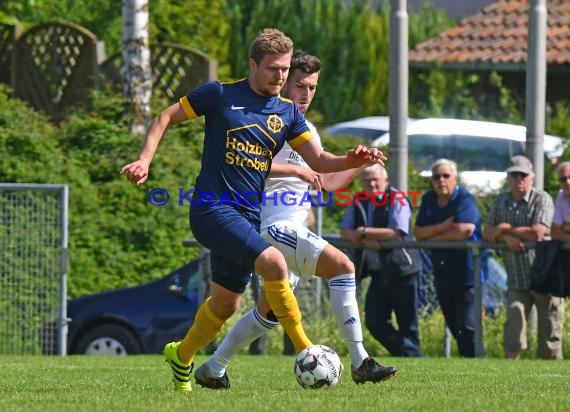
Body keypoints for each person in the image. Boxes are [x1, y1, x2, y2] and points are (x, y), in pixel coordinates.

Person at [120, 29, 386, 393]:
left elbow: (320, 162)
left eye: (284, 69)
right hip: (211, 209)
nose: (281, 76)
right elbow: (165, 116)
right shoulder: (219, 94)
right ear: (253, 64)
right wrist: (144, 160)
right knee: (275, 263)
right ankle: (307, 350)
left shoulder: (288, 114)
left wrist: (350, 160)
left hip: (247, 217)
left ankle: (182, 356)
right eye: (274, 69)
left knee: (225, 305)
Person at [192, 51, 396, 390]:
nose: (305, 94)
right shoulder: (266, 116)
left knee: (265, 316)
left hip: (291, 230)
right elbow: (245, 162)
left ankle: (213, 368)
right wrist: (299, 169)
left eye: (312, 87)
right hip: (272, 228)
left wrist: (359, 161)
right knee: (344, 267)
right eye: (299, 85)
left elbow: (326, 180)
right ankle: (361, 360)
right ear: (283, 80)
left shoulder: (302, 126)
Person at [484, 155, 563, 360]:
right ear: (508, 177)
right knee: (513, 325)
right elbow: (487, 233)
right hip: (517, 278)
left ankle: (552, 379)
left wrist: (504, 228)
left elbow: (537, 232)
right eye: (514, 174)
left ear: (531, 178)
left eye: (523, 175)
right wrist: (505, 237)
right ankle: (510, 374)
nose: (518, 178)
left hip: (545, 276)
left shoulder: (542, 198)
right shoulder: (501, 200)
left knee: (550, 332)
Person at [340, 164, 423, 357]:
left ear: (385, 180)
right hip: (378, 273)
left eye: (375, 179)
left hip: (403, 271)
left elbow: (396, 232)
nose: (372, 183)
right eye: (367, 180)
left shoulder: (398, 198)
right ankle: (409, 354)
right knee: (374, 321)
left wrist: (363, 232)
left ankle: (412, 357)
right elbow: (344, 231)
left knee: (408, 325)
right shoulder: (358, 199)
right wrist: (365, 239)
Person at [414, 158, 484, 357]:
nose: (441, 180)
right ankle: (467, 360)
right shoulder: (429, 198)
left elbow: (464, 230)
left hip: (469, 272)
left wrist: (433, 237)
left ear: (455, 178)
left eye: (446, 176)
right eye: (436, 176)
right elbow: (418, 233)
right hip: (443, 270)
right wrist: (445, 227)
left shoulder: (464, 198)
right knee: (454, 325)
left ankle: (477, 361)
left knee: (468, 325)